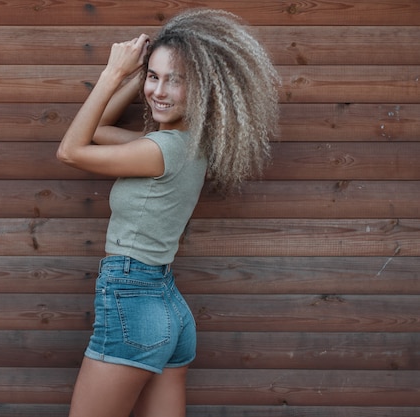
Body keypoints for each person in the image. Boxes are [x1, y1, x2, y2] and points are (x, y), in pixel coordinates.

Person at [56, 8, 279, 417]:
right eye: (155, 77)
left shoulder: (159, 151)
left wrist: (111, 74)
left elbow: (71, 150)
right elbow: (99, 131)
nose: (160, 90)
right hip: (167, 307)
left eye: (176, 80)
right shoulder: (185, 144)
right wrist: (137, 76)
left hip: (132, 299)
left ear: (204, 87)